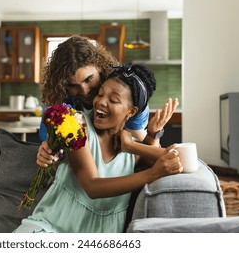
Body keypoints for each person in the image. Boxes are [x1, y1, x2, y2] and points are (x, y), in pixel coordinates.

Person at [13, 63, 183, 233]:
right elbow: (92, 187)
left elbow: (179, 159)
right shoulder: (77, 126)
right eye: (100, 94)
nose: (101, 102)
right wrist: (153, 173)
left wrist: (146, 138)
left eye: (113, 100)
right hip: (48, 230)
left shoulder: (131, 152)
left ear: (131, 112)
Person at [37, 35, 178, 167]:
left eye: (89, 79)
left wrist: (153, 134)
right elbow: (53, 146)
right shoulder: (61, 99)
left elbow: (145, 154)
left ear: (100, 67)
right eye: (73, 85)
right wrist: (48, 152)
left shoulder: (128, 96)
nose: (85, 91)